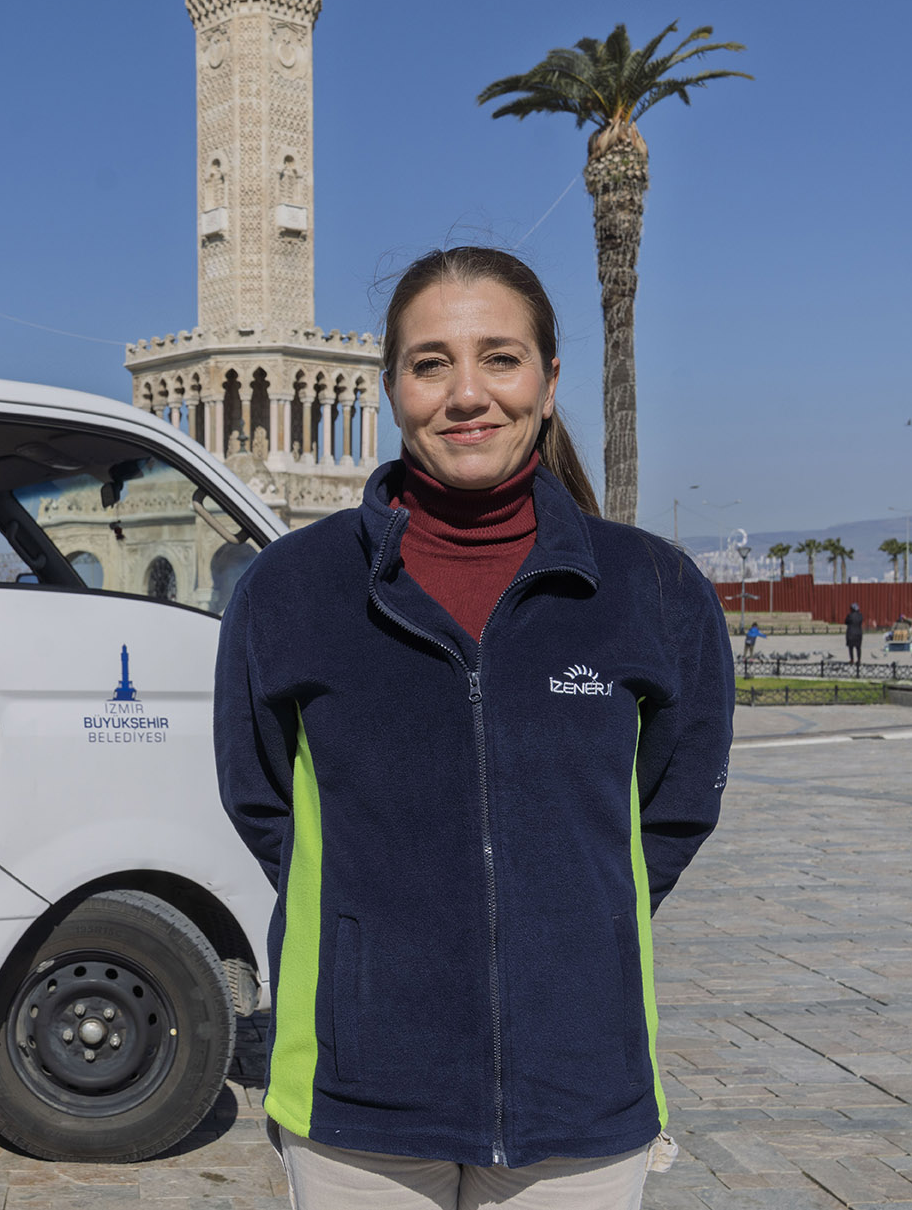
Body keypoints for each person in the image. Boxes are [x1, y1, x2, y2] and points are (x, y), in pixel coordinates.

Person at [216, 246, 733, 1208]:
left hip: (580, 1085)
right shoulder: (293, 590)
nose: (466, 393)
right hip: (356, 1094)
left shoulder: (648, 591)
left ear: (547, 380)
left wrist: (565, 923)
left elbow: (668, 811)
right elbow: (261, 802)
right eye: (430, 363)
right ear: (389, 388)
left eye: (499, 357)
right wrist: (379, 931)